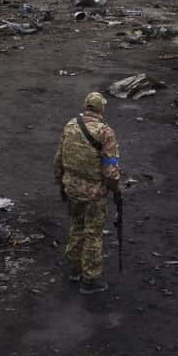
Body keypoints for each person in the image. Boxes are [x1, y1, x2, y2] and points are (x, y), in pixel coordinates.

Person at [54, 92, 121, 294]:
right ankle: (90, 279)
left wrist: (61, 184)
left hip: (72, 189)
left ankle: (74, 269)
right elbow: (110, 169)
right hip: (94, 194)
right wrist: (115, 189)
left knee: (76, 226)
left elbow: (58, 159)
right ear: (101, 109)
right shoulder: (106, 133)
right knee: (93, 233)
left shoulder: (70, 125)